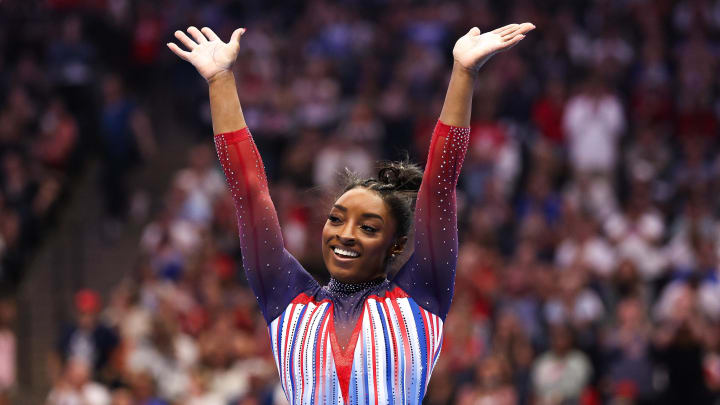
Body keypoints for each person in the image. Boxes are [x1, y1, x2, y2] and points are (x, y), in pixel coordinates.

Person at [168, 21, 534, 404]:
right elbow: (249, 194)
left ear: (396, 245)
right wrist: (220, 81)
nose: (345, 233)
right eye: (337, 219)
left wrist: (463, 73)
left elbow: (439, 188)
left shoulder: (421, 295)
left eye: (369, 227)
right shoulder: (288, 301)